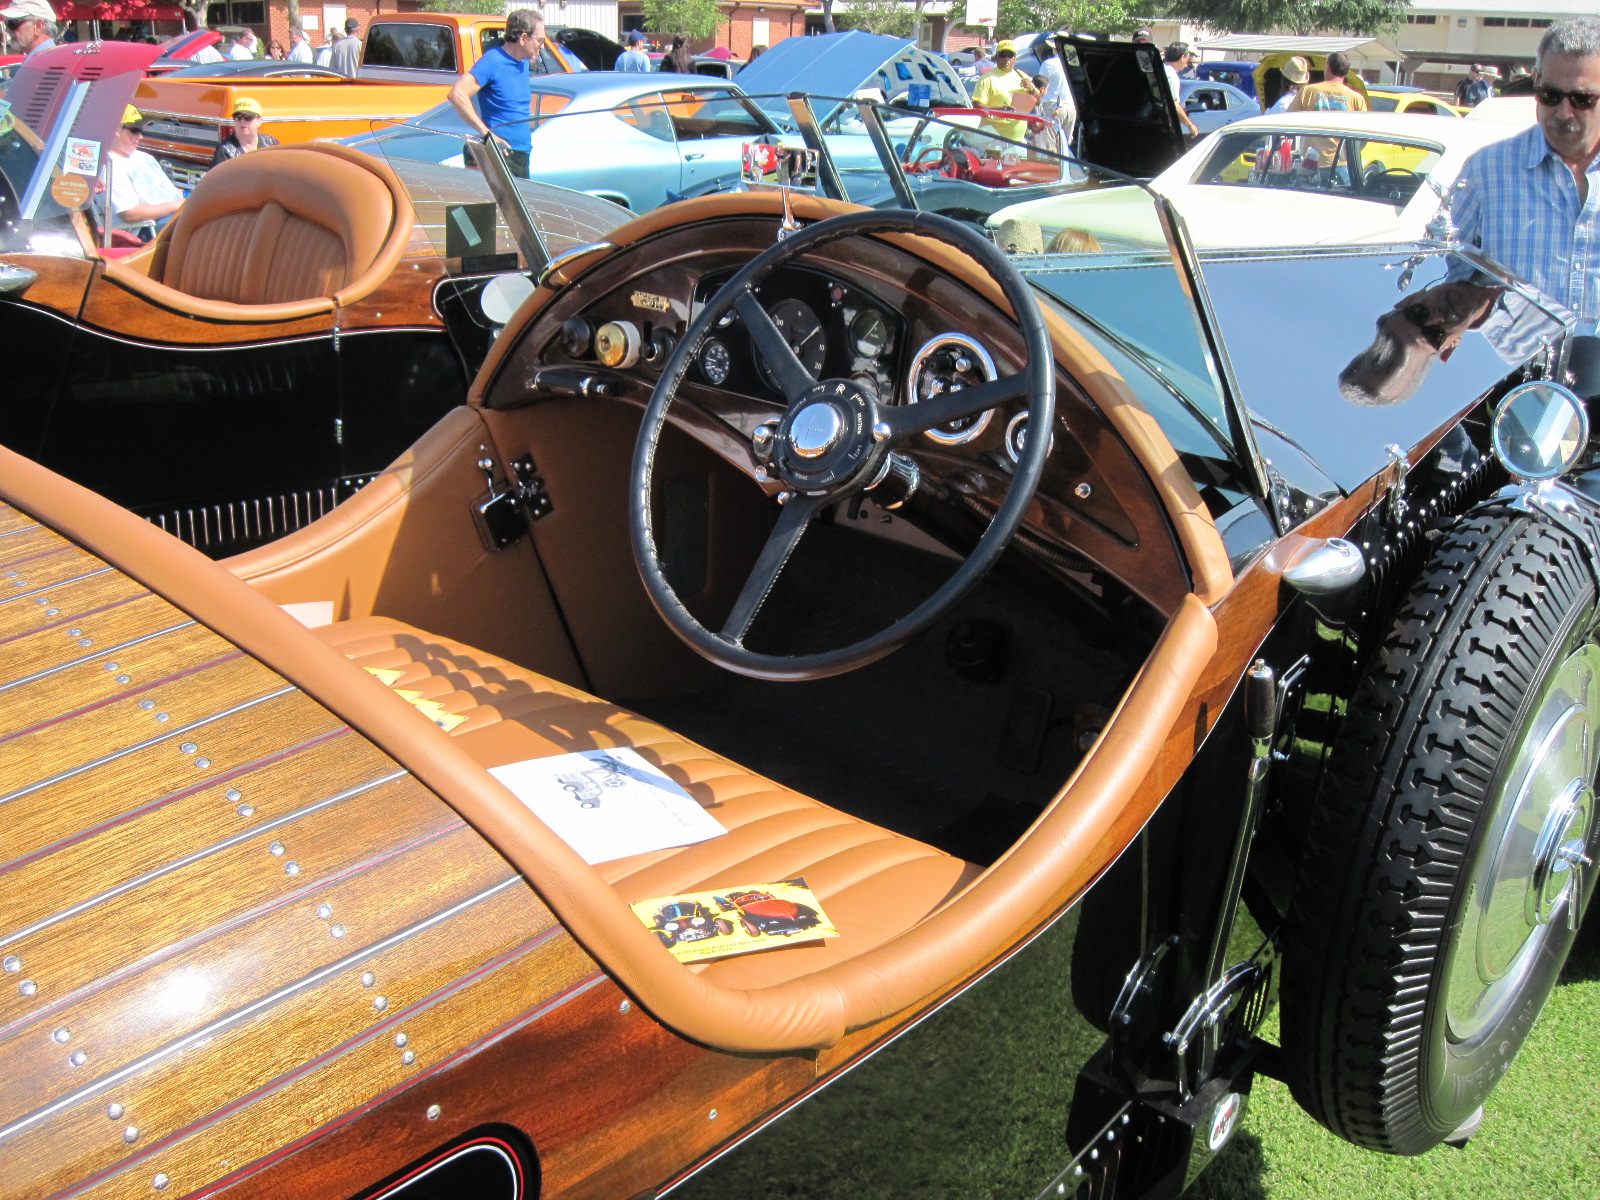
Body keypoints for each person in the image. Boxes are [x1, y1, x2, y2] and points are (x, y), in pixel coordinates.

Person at [1451, 16, 1600, 334]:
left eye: (1581, 99)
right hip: (1515, 375)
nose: (1563, 112)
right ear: (1535, 80)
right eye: (1550, 94)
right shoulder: (1487, 171)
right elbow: (1445, 270)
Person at [448, 8, 542, 178]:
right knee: (501, 206)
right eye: (539, 41)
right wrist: (487, 135)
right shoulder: (493, 61)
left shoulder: (523, 62)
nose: (540, 46)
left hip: (520, 155)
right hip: (500, 155)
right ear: (523, 38)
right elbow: (457, 94)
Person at [104, 105, 184, 242]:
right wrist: (179, 205)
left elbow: (171, 189)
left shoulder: (144, 157)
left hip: (174, 211)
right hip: (146, 228)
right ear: (116, 130)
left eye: (141, 130)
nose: (140, 136)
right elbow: (129, 214)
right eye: (135, 130)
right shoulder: (110, 165)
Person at [972, 41, 1038, 143]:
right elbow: (977, 106)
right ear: (996, 57)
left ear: (1015, 59)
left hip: (1018, 141)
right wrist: (999, 110)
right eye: (1003, 55)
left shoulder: (1022, 76)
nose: (1006, 59)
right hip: (993, 141)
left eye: (1010, 55)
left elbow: (1038, 101)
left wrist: (1031, 89)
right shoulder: (987, 78)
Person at [210, 96, 279, 166]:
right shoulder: (225, 150)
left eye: (248, 117)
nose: (242, 121)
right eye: (238, 118)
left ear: (259, 121)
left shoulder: (271, 143)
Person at [1035, 38, 1076, 149]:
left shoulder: (1049, 64)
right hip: (1071, 108)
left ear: (1054, 49)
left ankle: (1051, 166)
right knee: (1065, 147)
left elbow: (1040, 84)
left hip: (1052, 106)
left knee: (1049, 146)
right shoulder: (1074, 64)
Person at [1164, 43, 1200, 140]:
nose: (1187, 61)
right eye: (1187, 57)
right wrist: (1190, 125)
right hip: (1164, 125)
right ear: (1183, 57)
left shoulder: (1161, 69)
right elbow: (1173, 105)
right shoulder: (1171, 75)